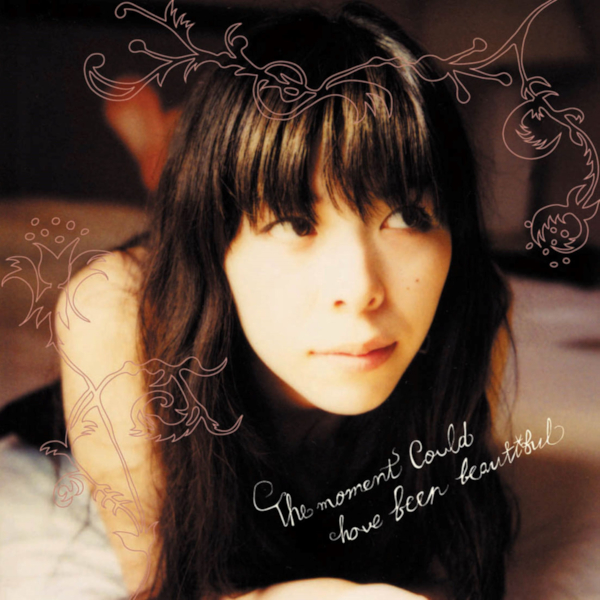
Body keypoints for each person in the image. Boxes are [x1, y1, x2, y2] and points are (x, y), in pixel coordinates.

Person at [56, 3, 514, 599]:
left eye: (408, 215)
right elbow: (160, 584)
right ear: (215, 246)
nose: (360, 289)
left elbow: (447, 554)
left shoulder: (471, 310)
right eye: (295, 222)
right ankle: (160, 153)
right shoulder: (113, 314)